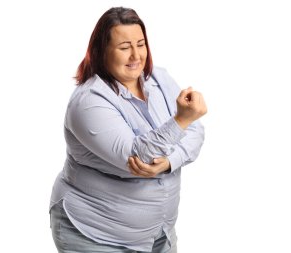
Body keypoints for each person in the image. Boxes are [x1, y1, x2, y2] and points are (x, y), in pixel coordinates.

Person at [49, 7, 207, 253]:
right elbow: (137, 157)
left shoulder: (158, 78)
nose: (136, 56)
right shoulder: (88, 102)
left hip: (158, 233)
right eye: (124, 47)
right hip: (97, 235)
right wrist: (180, 121)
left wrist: (168, 161)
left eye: (141, 44)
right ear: (101, 52)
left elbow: (195, 131)